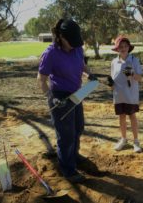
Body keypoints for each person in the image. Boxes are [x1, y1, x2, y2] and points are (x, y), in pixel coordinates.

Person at [37, 18, 96, 183]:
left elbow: (82, 64)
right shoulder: (51, 53)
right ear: (61, 37)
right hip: (60, 96)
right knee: (66, 135)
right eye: (71, 41)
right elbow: (41, 79)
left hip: (77, 93)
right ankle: (68, 170)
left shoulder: (77, 48)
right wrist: (51, 97)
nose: (75, 45)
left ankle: (74, 155)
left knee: (78, 127)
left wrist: (89, 74)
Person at [110, 36, 143, 153]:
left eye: (125, 46)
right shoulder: (114, 62)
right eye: (121, 47)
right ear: (117, 49)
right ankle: (123, 139)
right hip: (119, 95)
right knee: (122, 116)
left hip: (131, 95)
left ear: (129, 47)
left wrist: (132, 74)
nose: (123, 48)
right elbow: (114, 79)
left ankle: (136, 141)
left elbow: (139, 78)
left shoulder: (134, 60)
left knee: (132, 116)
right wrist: (111, 84)